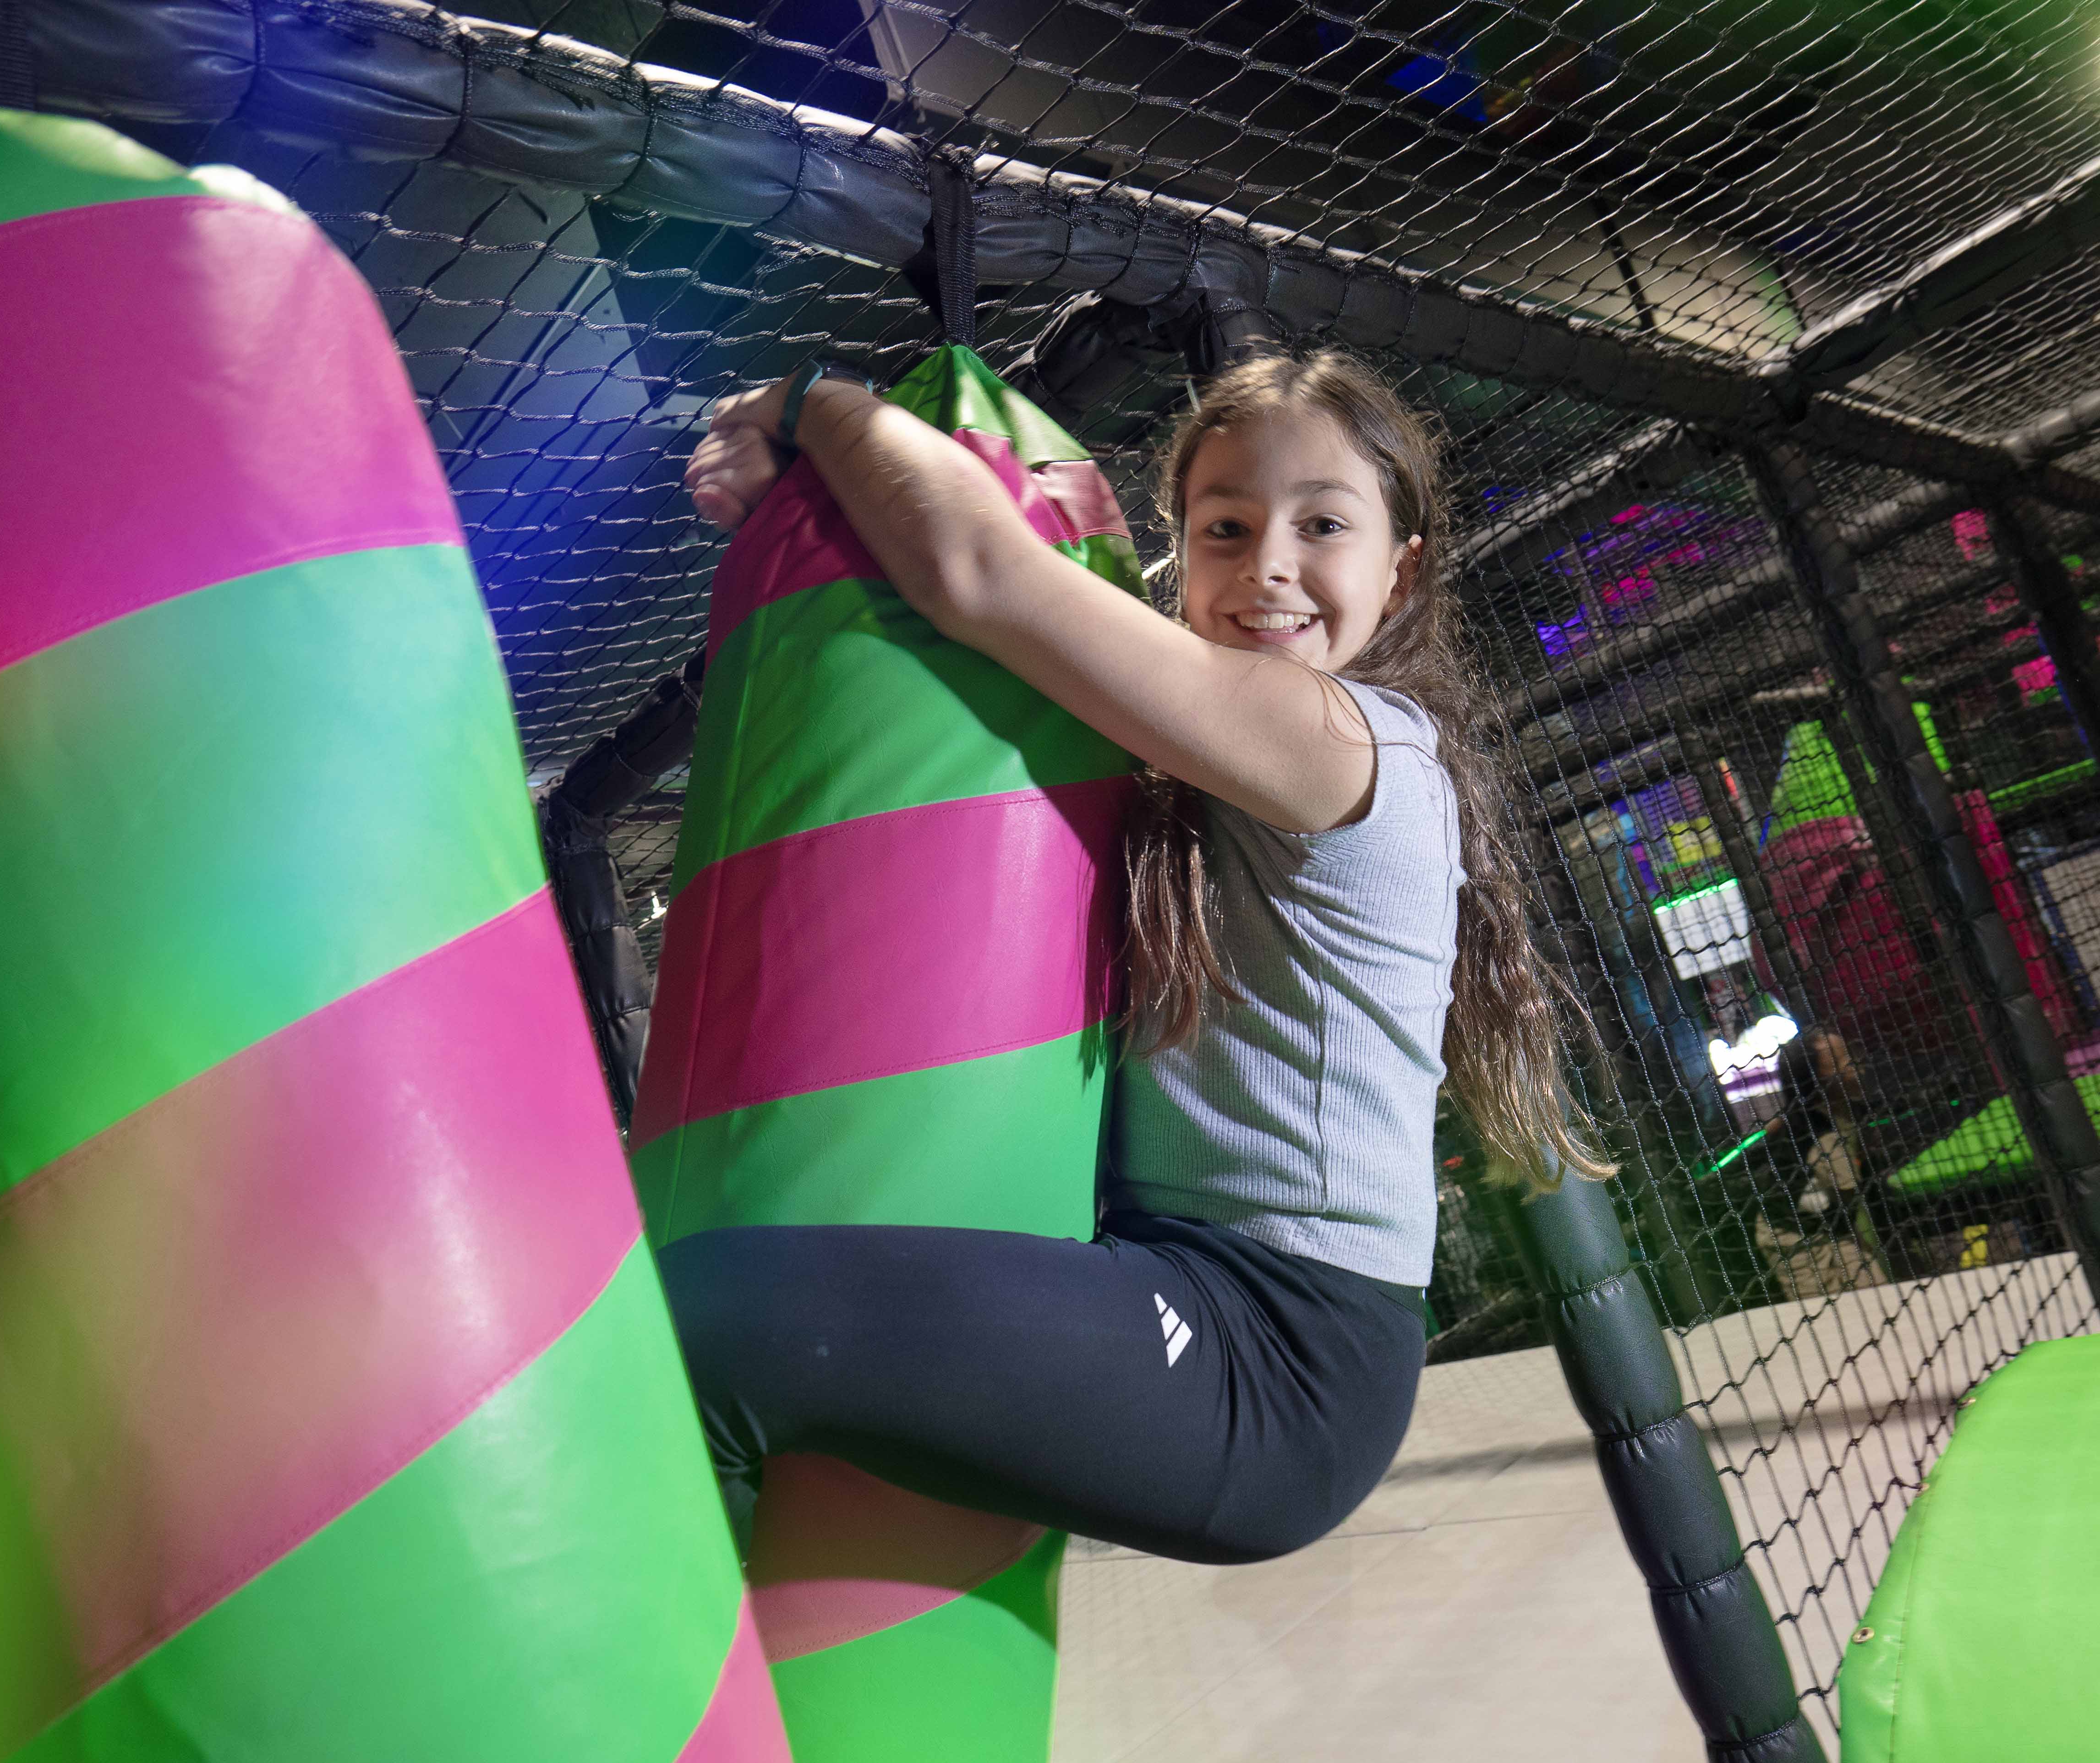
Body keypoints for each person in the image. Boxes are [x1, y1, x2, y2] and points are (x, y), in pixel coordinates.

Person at [662, 349, 1604, 1565]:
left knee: (707, 1326)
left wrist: (812, 406)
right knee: (733, 1341)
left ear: (1402, 568)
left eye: (1324, 524)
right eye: (1225, 526)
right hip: (1174, 1280)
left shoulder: (1347, 738)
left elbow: (979, 574)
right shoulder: (1205, 759)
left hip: (1274, 1359)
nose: (1269, 565)